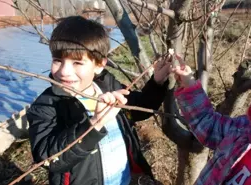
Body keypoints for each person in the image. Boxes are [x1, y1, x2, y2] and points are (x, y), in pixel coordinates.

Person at [27, 16, 171, 185]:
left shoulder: (108, 85)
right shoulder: (46, 105)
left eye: (77, 62)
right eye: (57, 60)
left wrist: (157, 83)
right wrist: (94, 124)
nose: (64, 72)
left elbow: (138, 108)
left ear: (99, 65)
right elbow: (48, 158)